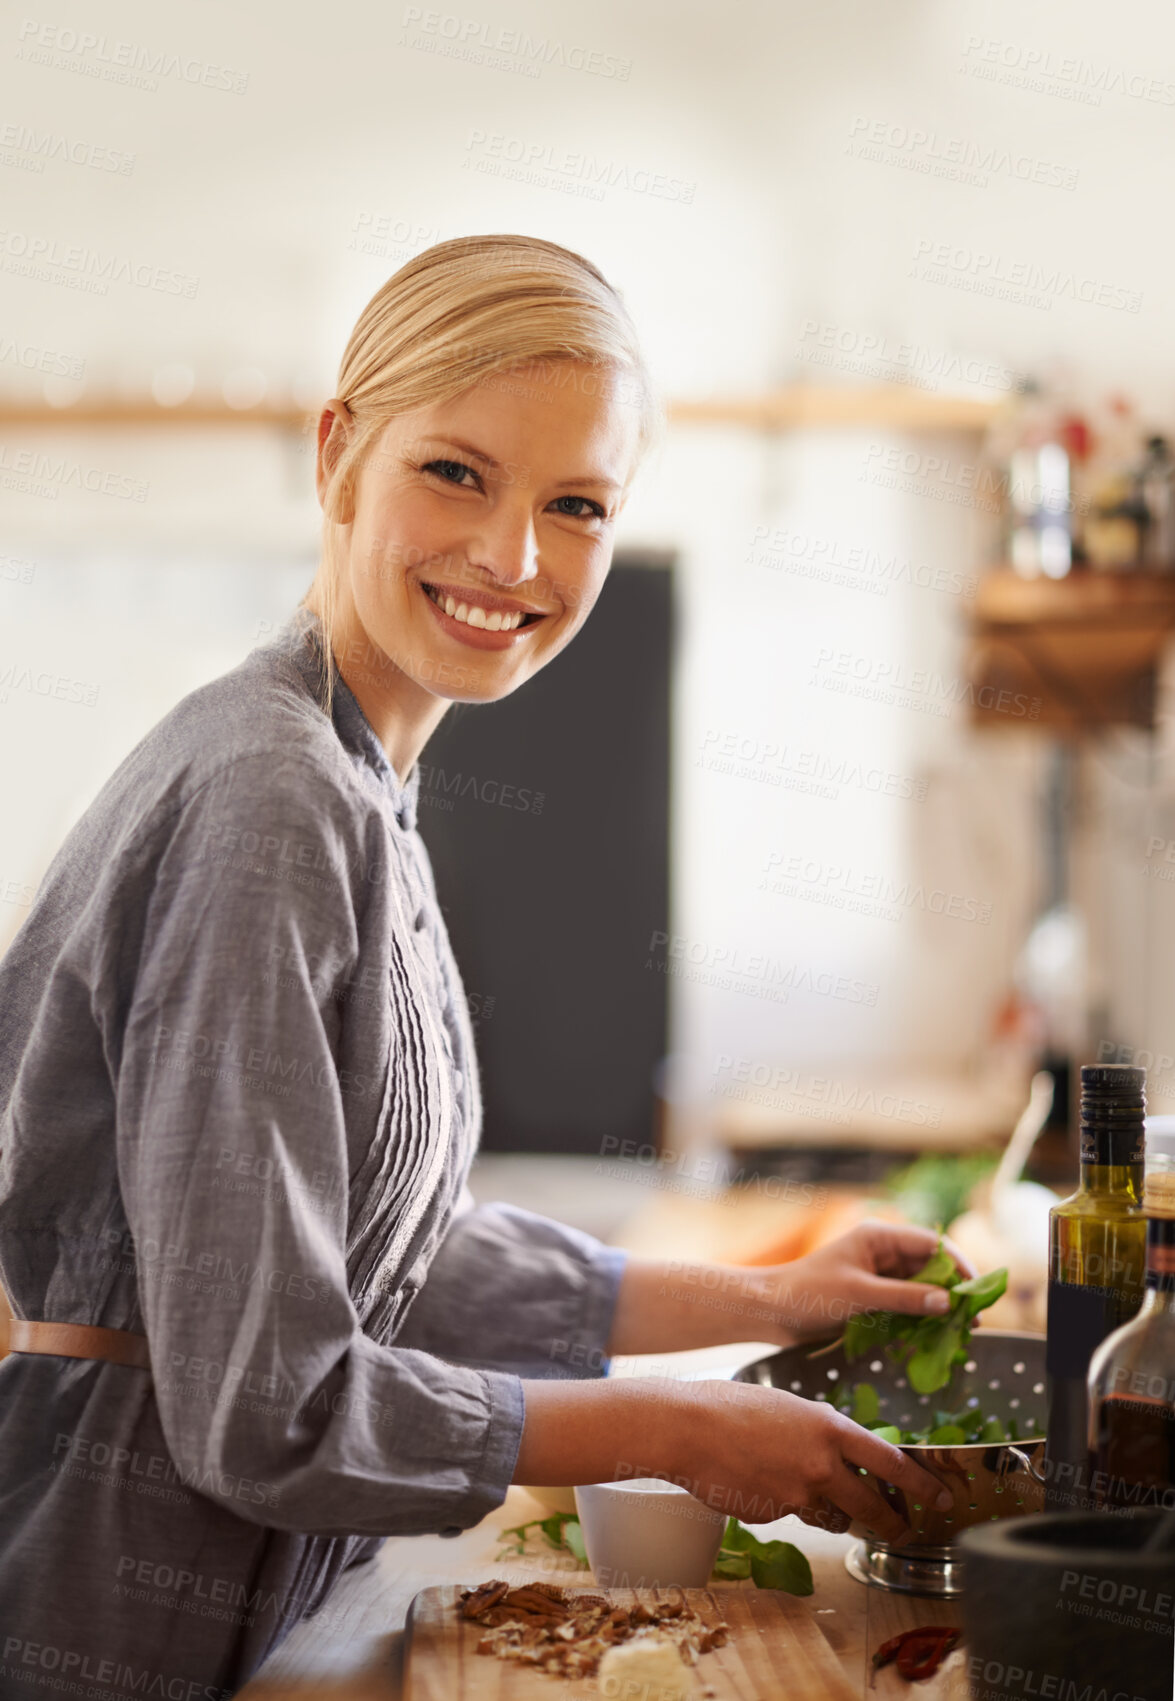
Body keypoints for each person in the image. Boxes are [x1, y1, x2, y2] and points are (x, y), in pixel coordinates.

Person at [0, 235, 964, 1697]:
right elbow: (267, 1407)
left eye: (576, 503)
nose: (515, 556)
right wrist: (676, 1430)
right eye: (457, 472)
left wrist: (766, 1306)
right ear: (338, 454)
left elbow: (367, 1251)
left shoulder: (353, 776)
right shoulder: (271, 801)